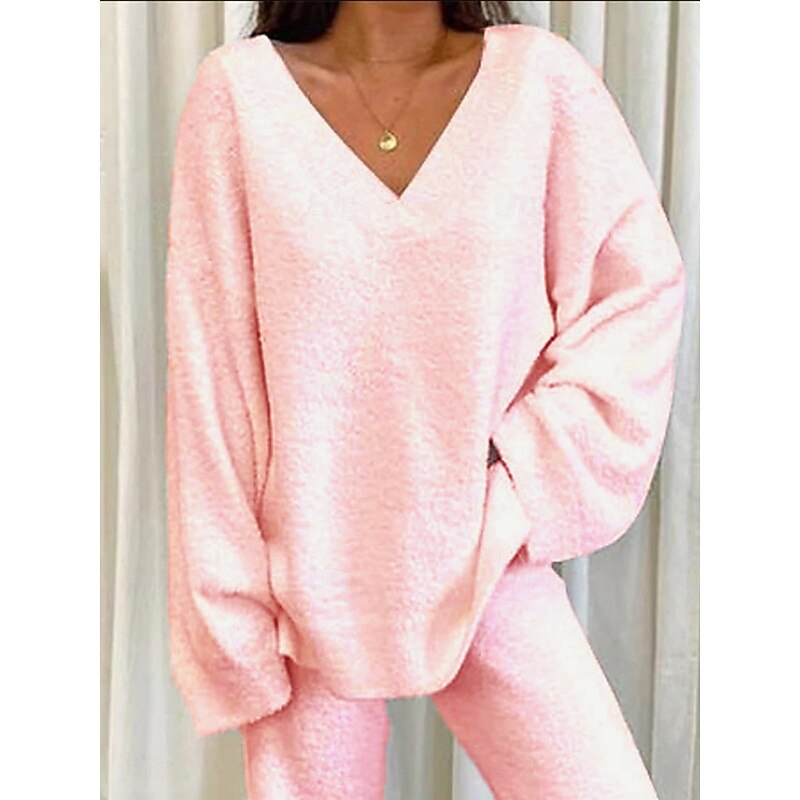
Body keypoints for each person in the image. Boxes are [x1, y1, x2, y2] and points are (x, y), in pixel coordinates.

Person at [164, 1, 687, 798]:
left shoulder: (538, 83)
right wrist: (231, 614)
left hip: (485, 553)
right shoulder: (238, 98)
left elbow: (636, 292)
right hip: (302, 579)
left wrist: (528, 472)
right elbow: (212, 375)